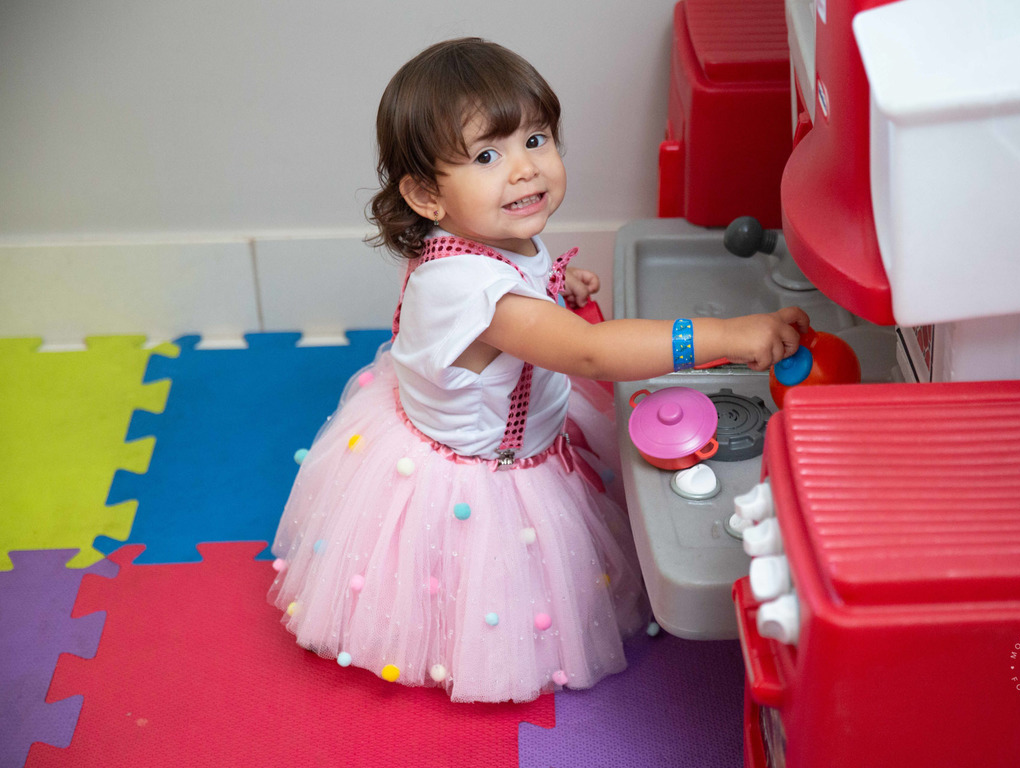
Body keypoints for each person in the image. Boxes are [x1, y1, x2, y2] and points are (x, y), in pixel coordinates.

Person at [268, 37, 808, 703]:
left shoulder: (487, 230)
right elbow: (591, 353)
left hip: (471, 410)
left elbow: (517, 288)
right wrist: (726, 335)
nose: (525, 169)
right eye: (488, 156)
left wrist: (555, 287)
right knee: (494, 587)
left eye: (536, 139)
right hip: (481, 471)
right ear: (425, 195)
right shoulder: (476, 294)